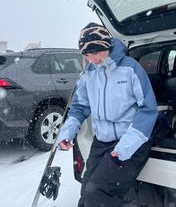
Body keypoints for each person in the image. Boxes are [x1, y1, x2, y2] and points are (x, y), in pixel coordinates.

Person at [58, 22, 158, 207]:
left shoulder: (130, 69)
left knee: (98, 193)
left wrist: (126, 146)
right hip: (101, 141)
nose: (92, 59)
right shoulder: (89, 73)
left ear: (106, 46)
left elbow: (148, 109)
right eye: (87, 55)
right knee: (86, 190)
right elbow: (79, 106)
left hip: (130, 141)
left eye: (95, 53)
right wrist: (67, 132)